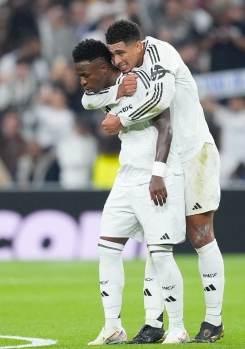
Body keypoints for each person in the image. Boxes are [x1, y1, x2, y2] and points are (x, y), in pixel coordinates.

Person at [80, 19, 225, 344]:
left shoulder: (163, 57)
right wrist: (116, 91)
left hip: (192, 152)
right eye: (112, 55)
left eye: (121, 53)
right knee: (156, 241)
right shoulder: (128, 73)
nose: (117, 60)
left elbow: (160, 101)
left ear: (138, 45)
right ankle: (153, 322)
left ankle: (213, 321)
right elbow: (90, 98)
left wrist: (122, 116)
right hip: (159, 160)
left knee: (199, 235)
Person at [72, 39, 190, 345]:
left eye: (86, 75)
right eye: (79, 76)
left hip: (155, 177)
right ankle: (113, 326)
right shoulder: (102, 91)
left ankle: (177, 327)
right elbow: (88, 102)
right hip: (126, 178)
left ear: (102, 67)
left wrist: (158, 173)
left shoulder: (139, 82)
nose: (82, 81)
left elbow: (166, 125)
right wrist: (113, 93)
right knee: (107, 249)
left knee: (162, 254)